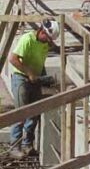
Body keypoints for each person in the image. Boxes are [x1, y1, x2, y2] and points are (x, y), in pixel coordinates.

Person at [7, 20, 57, 157]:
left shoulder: (45, 44)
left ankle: (27, 145)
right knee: (21, 114)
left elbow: (40, 62)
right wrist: (28, 72)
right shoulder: (27, 39)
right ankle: (14, 147)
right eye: (47, 38)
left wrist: (43, 77)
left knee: (34, 114)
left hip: (35, 79)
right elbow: (13, 59)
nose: (48, 42)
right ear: (41, 31)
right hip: (21, 79)